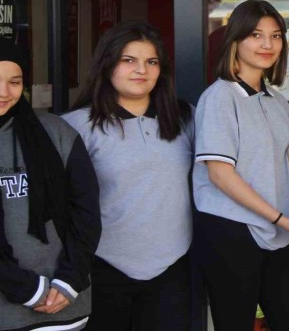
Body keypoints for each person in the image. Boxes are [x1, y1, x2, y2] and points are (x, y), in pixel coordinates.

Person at [193, 0, 289, 330]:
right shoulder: (220, 97)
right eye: (256, 35)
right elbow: (220, 174)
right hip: (232, 232)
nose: (267, 44)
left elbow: (264, 163)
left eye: (275, 36)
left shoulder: (277, 100)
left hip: (275, 230)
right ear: (236, 40)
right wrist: (281, 218)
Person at [62, 21, 194, 330]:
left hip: (172, 267)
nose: (141, 70)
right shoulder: (74, 126)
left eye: (152, 62)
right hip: (102, 266)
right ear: (107, 64)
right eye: (128, 60)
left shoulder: (185, 118)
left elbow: (225, 169)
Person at [0, 40, 100, 331]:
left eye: (14, 82)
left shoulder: (56, 132)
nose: (4, 92)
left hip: (60, 306)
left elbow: (86, 213)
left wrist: (70, 280)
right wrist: (28, 289)